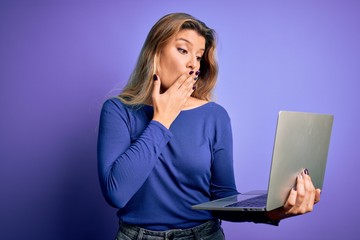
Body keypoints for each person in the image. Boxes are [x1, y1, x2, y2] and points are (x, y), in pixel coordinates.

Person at [97, 13, 321, 240]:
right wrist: (162, 119)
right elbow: (116, 193)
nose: (193, 64)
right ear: (155, 52)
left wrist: (274, 212)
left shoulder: (214, 116)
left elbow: (222, 198)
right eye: (183, 50)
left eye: (199, 56)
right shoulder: (118, 110)